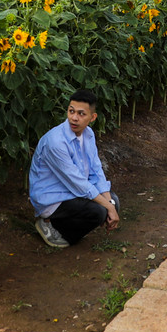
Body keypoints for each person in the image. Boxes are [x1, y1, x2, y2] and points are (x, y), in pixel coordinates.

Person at [28, 89, 120, 248]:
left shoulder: (88, 134)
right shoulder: (56, 142)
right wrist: (108, 207)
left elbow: (96, 170)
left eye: (81, 114)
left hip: (72, 190)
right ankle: (50, 225)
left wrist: (110, 202)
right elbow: (77, 183)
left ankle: (72, 222)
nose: (74, 118)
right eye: (71, 111)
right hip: (52, 198)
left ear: (92, 117)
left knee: (113, 200)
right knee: (99, 212)